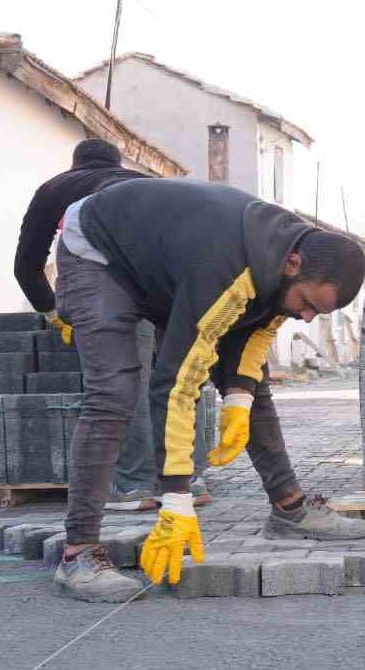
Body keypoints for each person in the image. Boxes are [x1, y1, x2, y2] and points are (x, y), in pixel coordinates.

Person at [51, 177, 365, 602]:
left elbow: (255, 336)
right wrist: (176, 500)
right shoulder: (225, 268)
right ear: (293, 264)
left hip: (168, 264)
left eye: (319, 312)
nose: (308, 318)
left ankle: (290, 509)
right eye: (309, 304)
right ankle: (78, 553)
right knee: (114, 392)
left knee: (254, 390)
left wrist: (238, 398)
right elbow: (175, 385)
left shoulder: (285, 264)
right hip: (99, 252)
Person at [13, 138, 214, 512]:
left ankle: (133, 486)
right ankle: (187, 480)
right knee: (179, 377)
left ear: (75, 165)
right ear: (118, 164)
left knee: (124, 378)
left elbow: (26, 266)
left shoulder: (56, 188)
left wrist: (53, 312)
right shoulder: (148, 184)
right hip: (176, 277)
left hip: (115, 280)